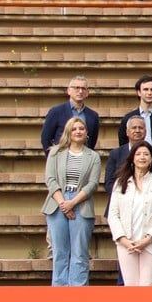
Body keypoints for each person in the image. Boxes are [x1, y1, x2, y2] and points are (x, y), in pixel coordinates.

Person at [42, 118, 100, 286]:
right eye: (74, 129)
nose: (78, 131)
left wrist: (72, 203)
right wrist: (64, 204)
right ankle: (59, 291)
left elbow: (92, 184)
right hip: (57, 203)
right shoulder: (55, 153)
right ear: (68, 132)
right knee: (60, 252)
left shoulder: (93, 156)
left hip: (81, 203)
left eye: (81, 128)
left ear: (86, 132)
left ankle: (78, 291)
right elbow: (51, 179)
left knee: (80, 252)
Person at [107, 141, 152, 286]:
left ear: (151, 159)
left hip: (151, 244)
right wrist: (123, 240)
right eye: (138, 154)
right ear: (132, 158)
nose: (142, 157)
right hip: (126, 243)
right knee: (130, 287)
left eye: (146, 154)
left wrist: (147, 240)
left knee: (147, 286)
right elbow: (113, 214)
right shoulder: (120, 183)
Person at [117, 75, 152, 160]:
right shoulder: (128, 118)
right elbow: (123, 143)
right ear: (139, 92)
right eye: (145, 89)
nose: (149, 93)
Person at [41, 75, 100, 154]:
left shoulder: (93, 116)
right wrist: (53, 159)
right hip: (61, 160)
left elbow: (92, 142)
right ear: (69, 91)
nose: (80, 91)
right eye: (77, 88)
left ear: (87, 93)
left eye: (83, 88)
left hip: (83, 161)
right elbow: (46, 138)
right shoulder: (56, 112)